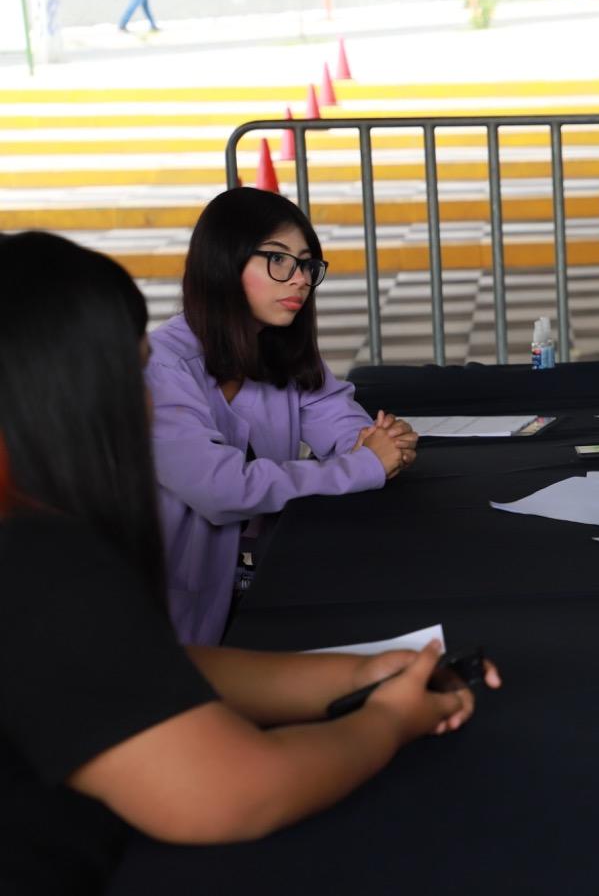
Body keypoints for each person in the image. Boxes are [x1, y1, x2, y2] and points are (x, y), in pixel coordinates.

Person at [0, 231, 499, 896]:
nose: (145, 406)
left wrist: (358, 674)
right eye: (132, 374)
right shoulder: (35, 561)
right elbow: (234, 792)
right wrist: (388, 721)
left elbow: (131, 662)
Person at [146, 188, 419, 645]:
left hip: (259, 583)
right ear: (223, 262)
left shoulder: (274, 345)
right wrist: (364, 464)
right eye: (278, 260)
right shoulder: (161, 366)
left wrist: (376, 442)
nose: (299, 279)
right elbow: (219, 488)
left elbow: (339, 420)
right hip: (164, 614)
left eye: (307, 264)